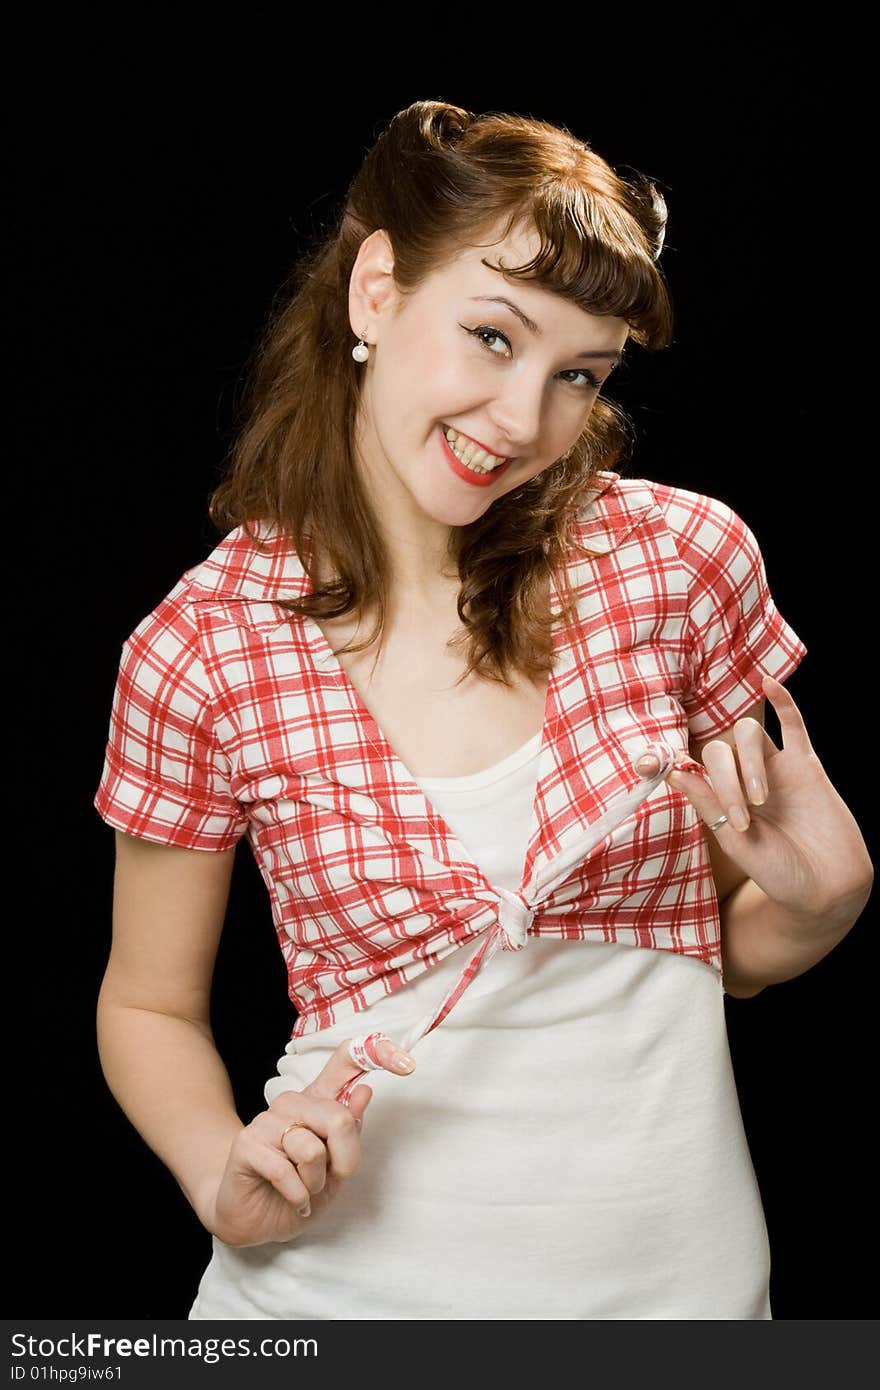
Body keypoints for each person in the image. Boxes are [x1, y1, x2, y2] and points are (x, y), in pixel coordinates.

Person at [93, 100, 872, 1320]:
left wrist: (822, 906)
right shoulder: (205, 646)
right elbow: (144, 1004)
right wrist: (216, 1166)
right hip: (329, 1300)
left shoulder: (676, 564)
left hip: (679, 1300)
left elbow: (722, 952)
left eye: (579, 374)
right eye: (493, 337)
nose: (524, 421)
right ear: (376, 293)